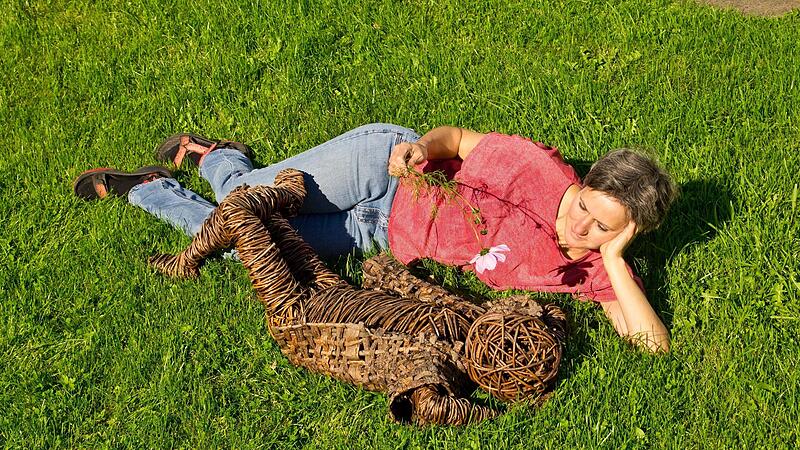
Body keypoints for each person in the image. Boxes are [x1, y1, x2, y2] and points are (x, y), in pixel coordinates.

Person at [73, 123, 676, 352]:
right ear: (585, 181)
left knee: (242, 244)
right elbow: (459, 142)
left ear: (629, 233)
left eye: (603, 227)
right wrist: (420, 149)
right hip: (382, 168)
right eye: (584, 207)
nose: (579, 225)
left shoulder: (595, 273)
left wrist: (616, 261)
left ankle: (152, 186)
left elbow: (653, 346)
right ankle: (214, 161)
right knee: (249, 203)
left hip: (375, 232)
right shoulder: (542, 174)